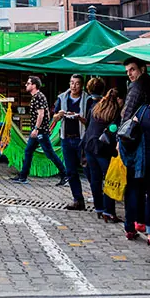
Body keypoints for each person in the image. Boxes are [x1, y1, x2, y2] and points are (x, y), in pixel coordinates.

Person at [118, 83, 150, 242]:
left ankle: (149, 233)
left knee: (149, 196)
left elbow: (129, 130)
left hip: (143, 161)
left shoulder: (142, 110)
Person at [11, 76, 65, 184]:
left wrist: (36, 129)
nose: (26, 85)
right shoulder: (37, 97)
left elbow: (41, 114)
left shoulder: (39, 97)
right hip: (38, 131)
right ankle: (23, 176)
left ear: (34, 85)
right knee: (28, 151)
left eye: (28, 83)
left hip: (40, 132)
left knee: (49, 153)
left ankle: (65, 174)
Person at [83, 83, 122, 223]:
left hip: (89, 145)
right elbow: (113, 132)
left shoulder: (95, 107)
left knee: (95, 178)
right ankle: (109, 211)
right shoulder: (115, 113)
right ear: (119, 99)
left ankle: (99, 208)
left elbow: (87, 125)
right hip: (103, 150)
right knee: (109, 180)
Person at [53, 74, 91, 209]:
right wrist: (60, 115)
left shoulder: (88, 100)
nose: (73, 86)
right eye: (71, 83)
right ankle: (78, 200)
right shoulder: (62, 98)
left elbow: (90, 121)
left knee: (88, 170)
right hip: (66, 138)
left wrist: (80, 118)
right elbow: (55, 117)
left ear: (82, 86)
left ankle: (99, 199)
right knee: (71, 171)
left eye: (77, 84)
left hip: (82, 139)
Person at [121, 58, 150, 125]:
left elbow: (128, 111)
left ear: (142, 69)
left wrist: (122, 129)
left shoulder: (136, 86)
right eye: (127, 71)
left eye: (132, 70)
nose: (129, 74)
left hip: (135, 127)